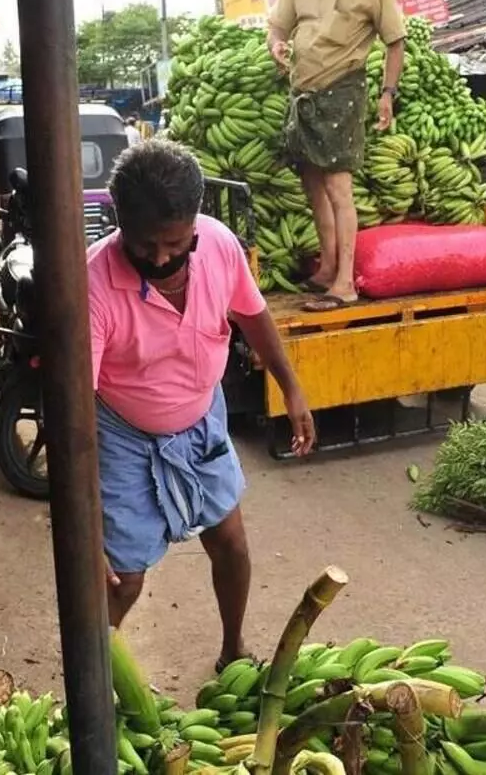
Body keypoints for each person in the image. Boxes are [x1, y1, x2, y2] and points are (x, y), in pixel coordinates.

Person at [87, 139, 316, 669]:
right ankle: (93, 688)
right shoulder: (94, 283)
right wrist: (86, 526)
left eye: (175, 244)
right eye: (146, 248)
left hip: (199, 416)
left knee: (231, 544)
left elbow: (253, 315)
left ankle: (233, 649)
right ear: (120, 225)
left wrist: (291, 385)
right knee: (121, 578)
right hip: (122, 432)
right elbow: (73, 409)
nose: (162, 259)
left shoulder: (218, 245)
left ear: (196, 221)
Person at [268, 0, 406, 312]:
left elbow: (395, 41)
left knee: (337, 187)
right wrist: (275, 43)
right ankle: (328, 265)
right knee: (311, 179)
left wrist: (388, 94)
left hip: (344, 90)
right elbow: (279, 24)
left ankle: (345, 282)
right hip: (303, 94)